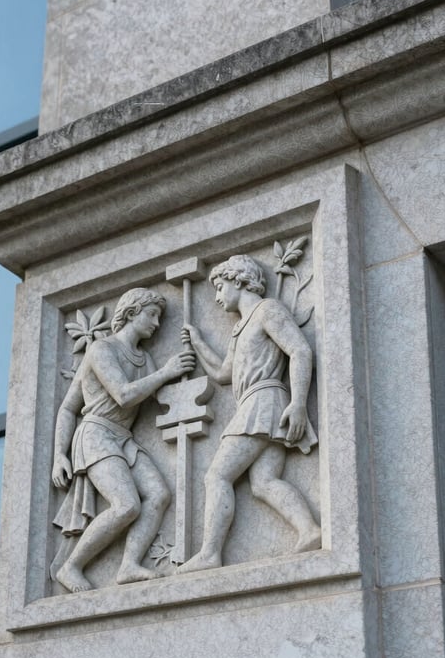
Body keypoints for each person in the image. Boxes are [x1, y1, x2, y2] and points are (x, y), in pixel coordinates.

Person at [178, 254, 321, 574]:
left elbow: (299, 350)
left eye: (220, 287)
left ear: (239, 281)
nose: (216, 296)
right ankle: (310, 530)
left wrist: (298, 403)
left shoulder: (267, 310)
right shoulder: (240, 327)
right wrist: (198, 342)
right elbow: (222, 373)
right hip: (253, 405)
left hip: (264, 402)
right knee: (264, 482)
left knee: (216, 475)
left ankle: (210, 553)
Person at [51, 287, 195, 592]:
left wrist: (193, 353)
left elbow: (160, 395)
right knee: (126, 505)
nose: (157, 324)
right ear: (131, 312)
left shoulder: (144, 359)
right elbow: (123, 395)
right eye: (152, 315)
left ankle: (129, 565)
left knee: (159, 494)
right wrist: (59, 456)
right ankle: (70, 567)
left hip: (123, 438)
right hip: (96, 434)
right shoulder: (102, 349)